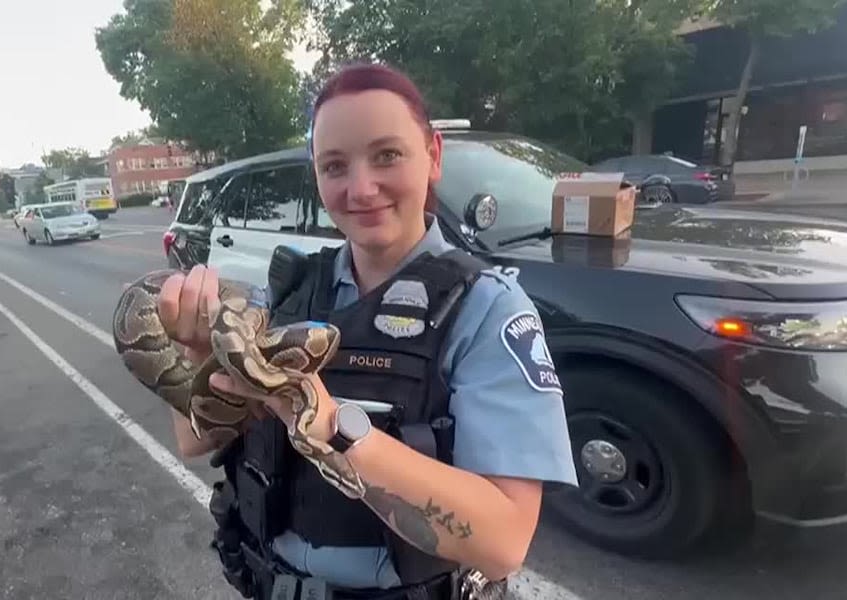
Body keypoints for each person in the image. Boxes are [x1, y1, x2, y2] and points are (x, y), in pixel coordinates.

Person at [157, 63, 577, 599]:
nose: (361, 188)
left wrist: (330, 426)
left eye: (387, 155)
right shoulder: (289, 294)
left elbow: (503, 541)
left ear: (434, 156)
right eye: (334, 166)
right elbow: (196, 439)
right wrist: (196, 357)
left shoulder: (484, 308)